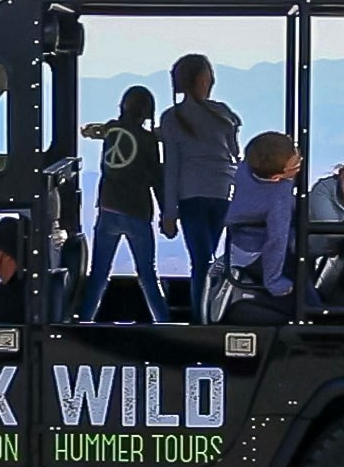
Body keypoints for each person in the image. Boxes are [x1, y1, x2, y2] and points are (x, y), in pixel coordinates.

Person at [158, 53, 242, 320]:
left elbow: (171, 168)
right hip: (222, 192)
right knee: (209, 261)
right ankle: (209, 314)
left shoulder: (172, 117)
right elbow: (235, 153)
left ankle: (200, 317)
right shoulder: (224, 114)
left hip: (191, 196)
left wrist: (169, 213)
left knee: (201, 262)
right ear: (204, 79)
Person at [77, 86, 169, 323]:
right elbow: (157, 179)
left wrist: (88, 131)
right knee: (147, 275)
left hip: (107, 210)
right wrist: (167, 214)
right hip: (136, 211)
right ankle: (164, 323)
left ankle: (84, 321)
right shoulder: (148, 140)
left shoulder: (112, 130)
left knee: (99, 274)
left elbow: (95, 130)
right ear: (147, 112)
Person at [223, 131, 304, 299]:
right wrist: (274, 281)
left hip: (238, 241)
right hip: (256, 252)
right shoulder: (279, 198)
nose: (300, 161)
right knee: (302, 285)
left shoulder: (244, 169)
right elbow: (276, 240)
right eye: (295, 167)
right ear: (276, 178)